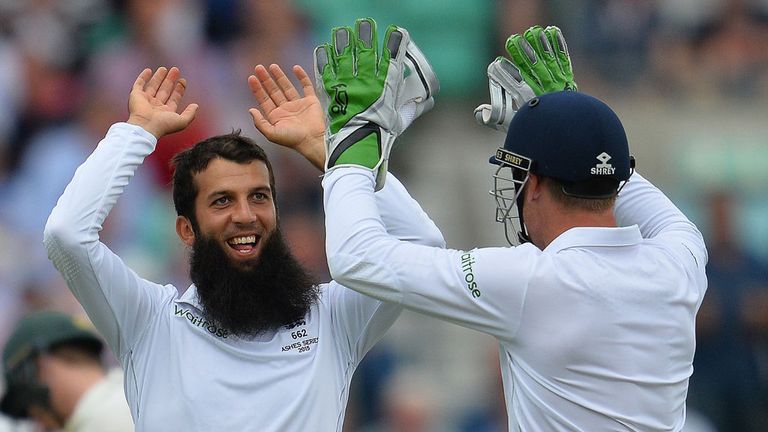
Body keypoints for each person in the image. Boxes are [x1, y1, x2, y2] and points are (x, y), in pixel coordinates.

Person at [42, 32, 444, 431]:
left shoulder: (333, 318)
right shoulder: (150, 323)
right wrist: (137, 131)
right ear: (186, 229)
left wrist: (333, 153)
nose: (245, 215)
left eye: (259, 197)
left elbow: (420, 249)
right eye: (221, 201)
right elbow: (67, 233)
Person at [318, 20, 708, 431]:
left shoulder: (531, 280)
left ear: (534, 184)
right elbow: (620, 179)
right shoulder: (680, 260)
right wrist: (568, 120)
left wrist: (353, 142)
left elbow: (356, 257)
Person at [1, 311, 133, 432]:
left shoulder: (103, 422)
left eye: (25, 400)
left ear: (40, 368)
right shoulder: (133, 396)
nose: (35, 419)